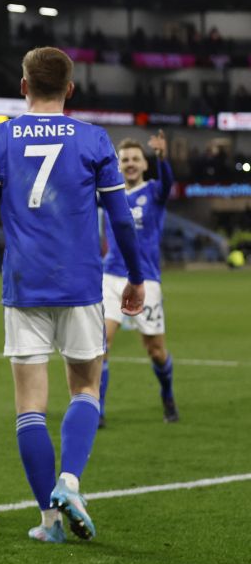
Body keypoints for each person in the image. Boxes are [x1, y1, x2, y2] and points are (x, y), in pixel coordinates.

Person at [0, 47, 145, 545]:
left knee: (30, 406)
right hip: (80, 283)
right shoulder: (94, 139)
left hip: (24, 285)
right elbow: (121, 219)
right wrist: (136, 276)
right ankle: (71, 482)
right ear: (71, 89)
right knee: (85, 389)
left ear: (23, 86)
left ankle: (49, 521)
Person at [99, 131, 178, 425]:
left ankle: (167, 394)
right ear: (118, 165)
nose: (130, 164)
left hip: (146, 281)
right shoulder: (109, 195)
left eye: (135, 159)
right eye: (125, 160)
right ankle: (98, 410)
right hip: (111, 276)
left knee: (156, 351)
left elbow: (168, 183)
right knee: (101, 343)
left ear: (145, 164)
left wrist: (163, 158)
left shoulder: (155, 191)